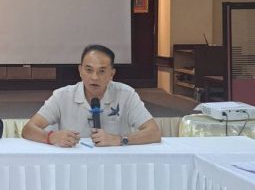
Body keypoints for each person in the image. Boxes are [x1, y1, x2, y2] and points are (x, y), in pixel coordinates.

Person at [22, 44, 161, 147]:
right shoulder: (62, 96)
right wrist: (51, 137)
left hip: (115, 163)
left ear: (112, 74)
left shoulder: (126, 95)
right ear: (80, 70)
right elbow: (28, 129)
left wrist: (119, 139)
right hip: (74, 163)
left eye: (102, 71)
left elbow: (154, 132)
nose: (94, 77)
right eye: (89, 70)